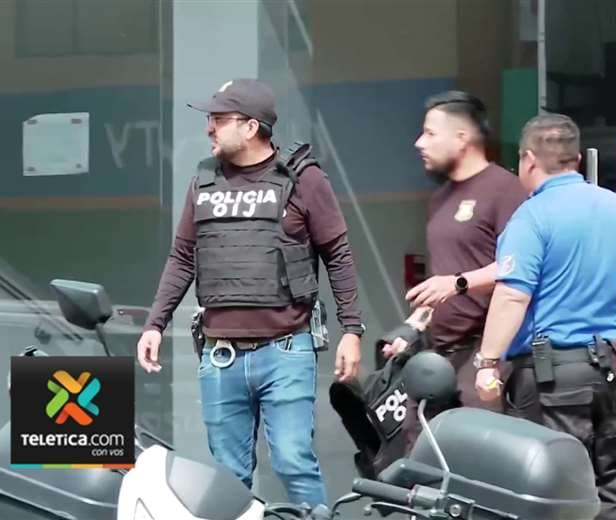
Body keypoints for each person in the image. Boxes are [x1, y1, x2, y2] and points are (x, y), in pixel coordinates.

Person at [135, 78, 366, 508]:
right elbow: (182, 257)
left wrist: (351, 330)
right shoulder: (204, 180)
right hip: (220, 355)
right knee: (229, 476)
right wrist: (155, 324)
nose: (209, 127)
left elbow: (337, 254)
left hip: (286, 349)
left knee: (293, 462)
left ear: (251, 126)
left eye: (219, 119)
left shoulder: (303, 179)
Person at [474, 113, 616, 520]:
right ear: (575, 159)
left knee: (551, 488)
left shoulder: (532, 216)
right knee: (609, 481)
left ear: (528, 159)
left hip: (551, 375)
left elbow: (512, 294)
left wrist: (487, 363)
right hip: (609, 369)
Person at [382, 90, 527, 450]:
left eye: (430, 133)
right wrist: (413, 328)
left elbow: (520, 267)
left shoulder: (506, 190)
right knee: (420, 450)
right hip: (438, 354)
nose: (419, 143)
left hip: (485, 355)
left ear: (462, 138)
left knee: (478, 457)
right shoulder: (440, 198)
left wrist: (458, 284)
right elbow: (442, 279)